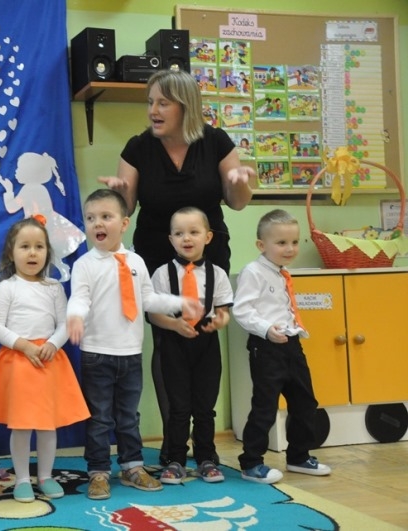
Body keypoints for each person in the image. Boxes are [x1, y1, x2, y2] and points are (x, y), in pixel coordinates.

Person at [98, 69, 254, 465]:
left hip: (208, 256)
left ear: (186, 106)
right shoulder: (138, 148)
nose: (153, 110)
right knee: (168, 344)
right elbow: (125, 209)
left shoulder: (216, 141)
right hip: (157, 261)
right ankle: (173, 449)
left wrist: (239, 180)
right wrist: (118, 195)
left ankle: (206, 447)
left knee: (202, 341)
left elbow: (238, 201)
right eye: (150, 102)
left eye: (162, 103)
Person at [66, 189, 202, 500]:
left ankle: (132, 466)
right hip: (97, 354)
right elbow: (80, 298)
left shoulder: (137, 261)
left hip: (130, 354)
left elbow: (149, 299)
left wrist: (179, 302)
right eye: (90, 218)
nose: (98, 223)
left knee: (129, 416)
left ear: (124, 223)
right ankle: (98, 471)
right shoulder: (85, 264)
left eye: (106, 216)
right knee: (99, 418)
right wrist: (75, 316)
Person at [0, 216, 89, 503]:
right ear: (11, 252)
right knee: (21, 425)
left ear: (47, 252)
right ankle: (22, 479)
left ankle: (45, 476)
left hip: (48, 362)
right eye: (25, 246)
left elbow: (65, 323)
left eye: (39, 246)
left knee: (46, 424)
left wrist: (53, 343)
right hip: (18, 363)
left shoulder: (53, 287)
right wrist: (23, 345)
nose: (32, 253)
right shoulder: (7, 287)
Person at [233, 209, 332, 484]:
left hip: (291, 344)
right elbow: (242, 310)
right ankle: (252, 463)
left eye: (295, 242)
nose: (290, 249)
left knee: (305, 401)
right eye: (281, 243)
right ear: (261, 245)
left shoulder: (282, 272)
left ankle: (299, 456)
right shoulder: (253, 272)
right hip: (266, 347)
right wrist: (266, 329)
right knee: (265, 406)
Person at [148, 207, 234, 485]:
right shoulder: (162, 274)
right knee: (178, 406)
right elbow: (153, 314)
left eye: (194, 232)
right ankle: (175, 459)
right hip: (174, 341)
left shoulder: (217, 274)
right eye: (179, 233)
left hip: (206, 343)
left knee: (205, 405)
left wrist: (220, 322)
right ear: (171, 239)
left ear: (207, 237)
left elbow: (224, 312)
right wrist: (173, 325)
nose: (186, 238)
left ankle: (206, 458)